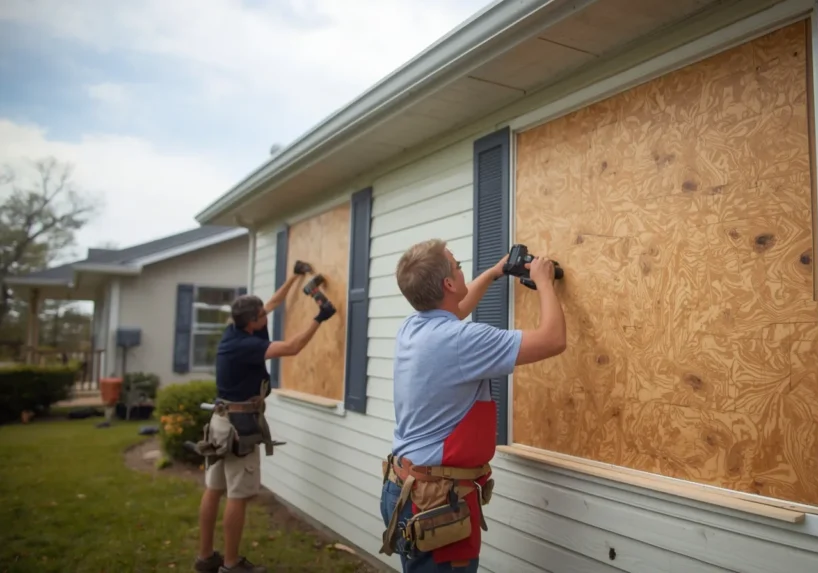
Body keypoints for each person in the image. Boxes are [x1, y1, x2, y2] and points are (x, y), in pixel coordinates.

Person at [379, 239, 567, 572]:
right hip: (435, 502)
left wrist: (495, 272)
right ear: (449, 284)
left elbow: (458, 308)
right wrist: (543, 281)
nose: (462, 269)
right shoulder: (461, 340)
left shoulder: (412, 327)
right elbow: (553, 340)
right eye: (458, 266)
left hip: (404, 487)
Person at [193, 261, 337, 573]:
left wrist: (294, 278)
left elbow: (271, 302)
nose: (266, 315)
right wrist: (320, 317)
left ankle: (205, 558)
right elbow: (292, 347)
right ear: (251, 322)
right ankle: (231, 565)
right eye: (261, 316)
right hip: (238, 427)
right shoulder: (244, 345)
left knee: (214, 489)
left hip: (220, 422)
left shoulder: (236, 328)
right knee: (237, 495)